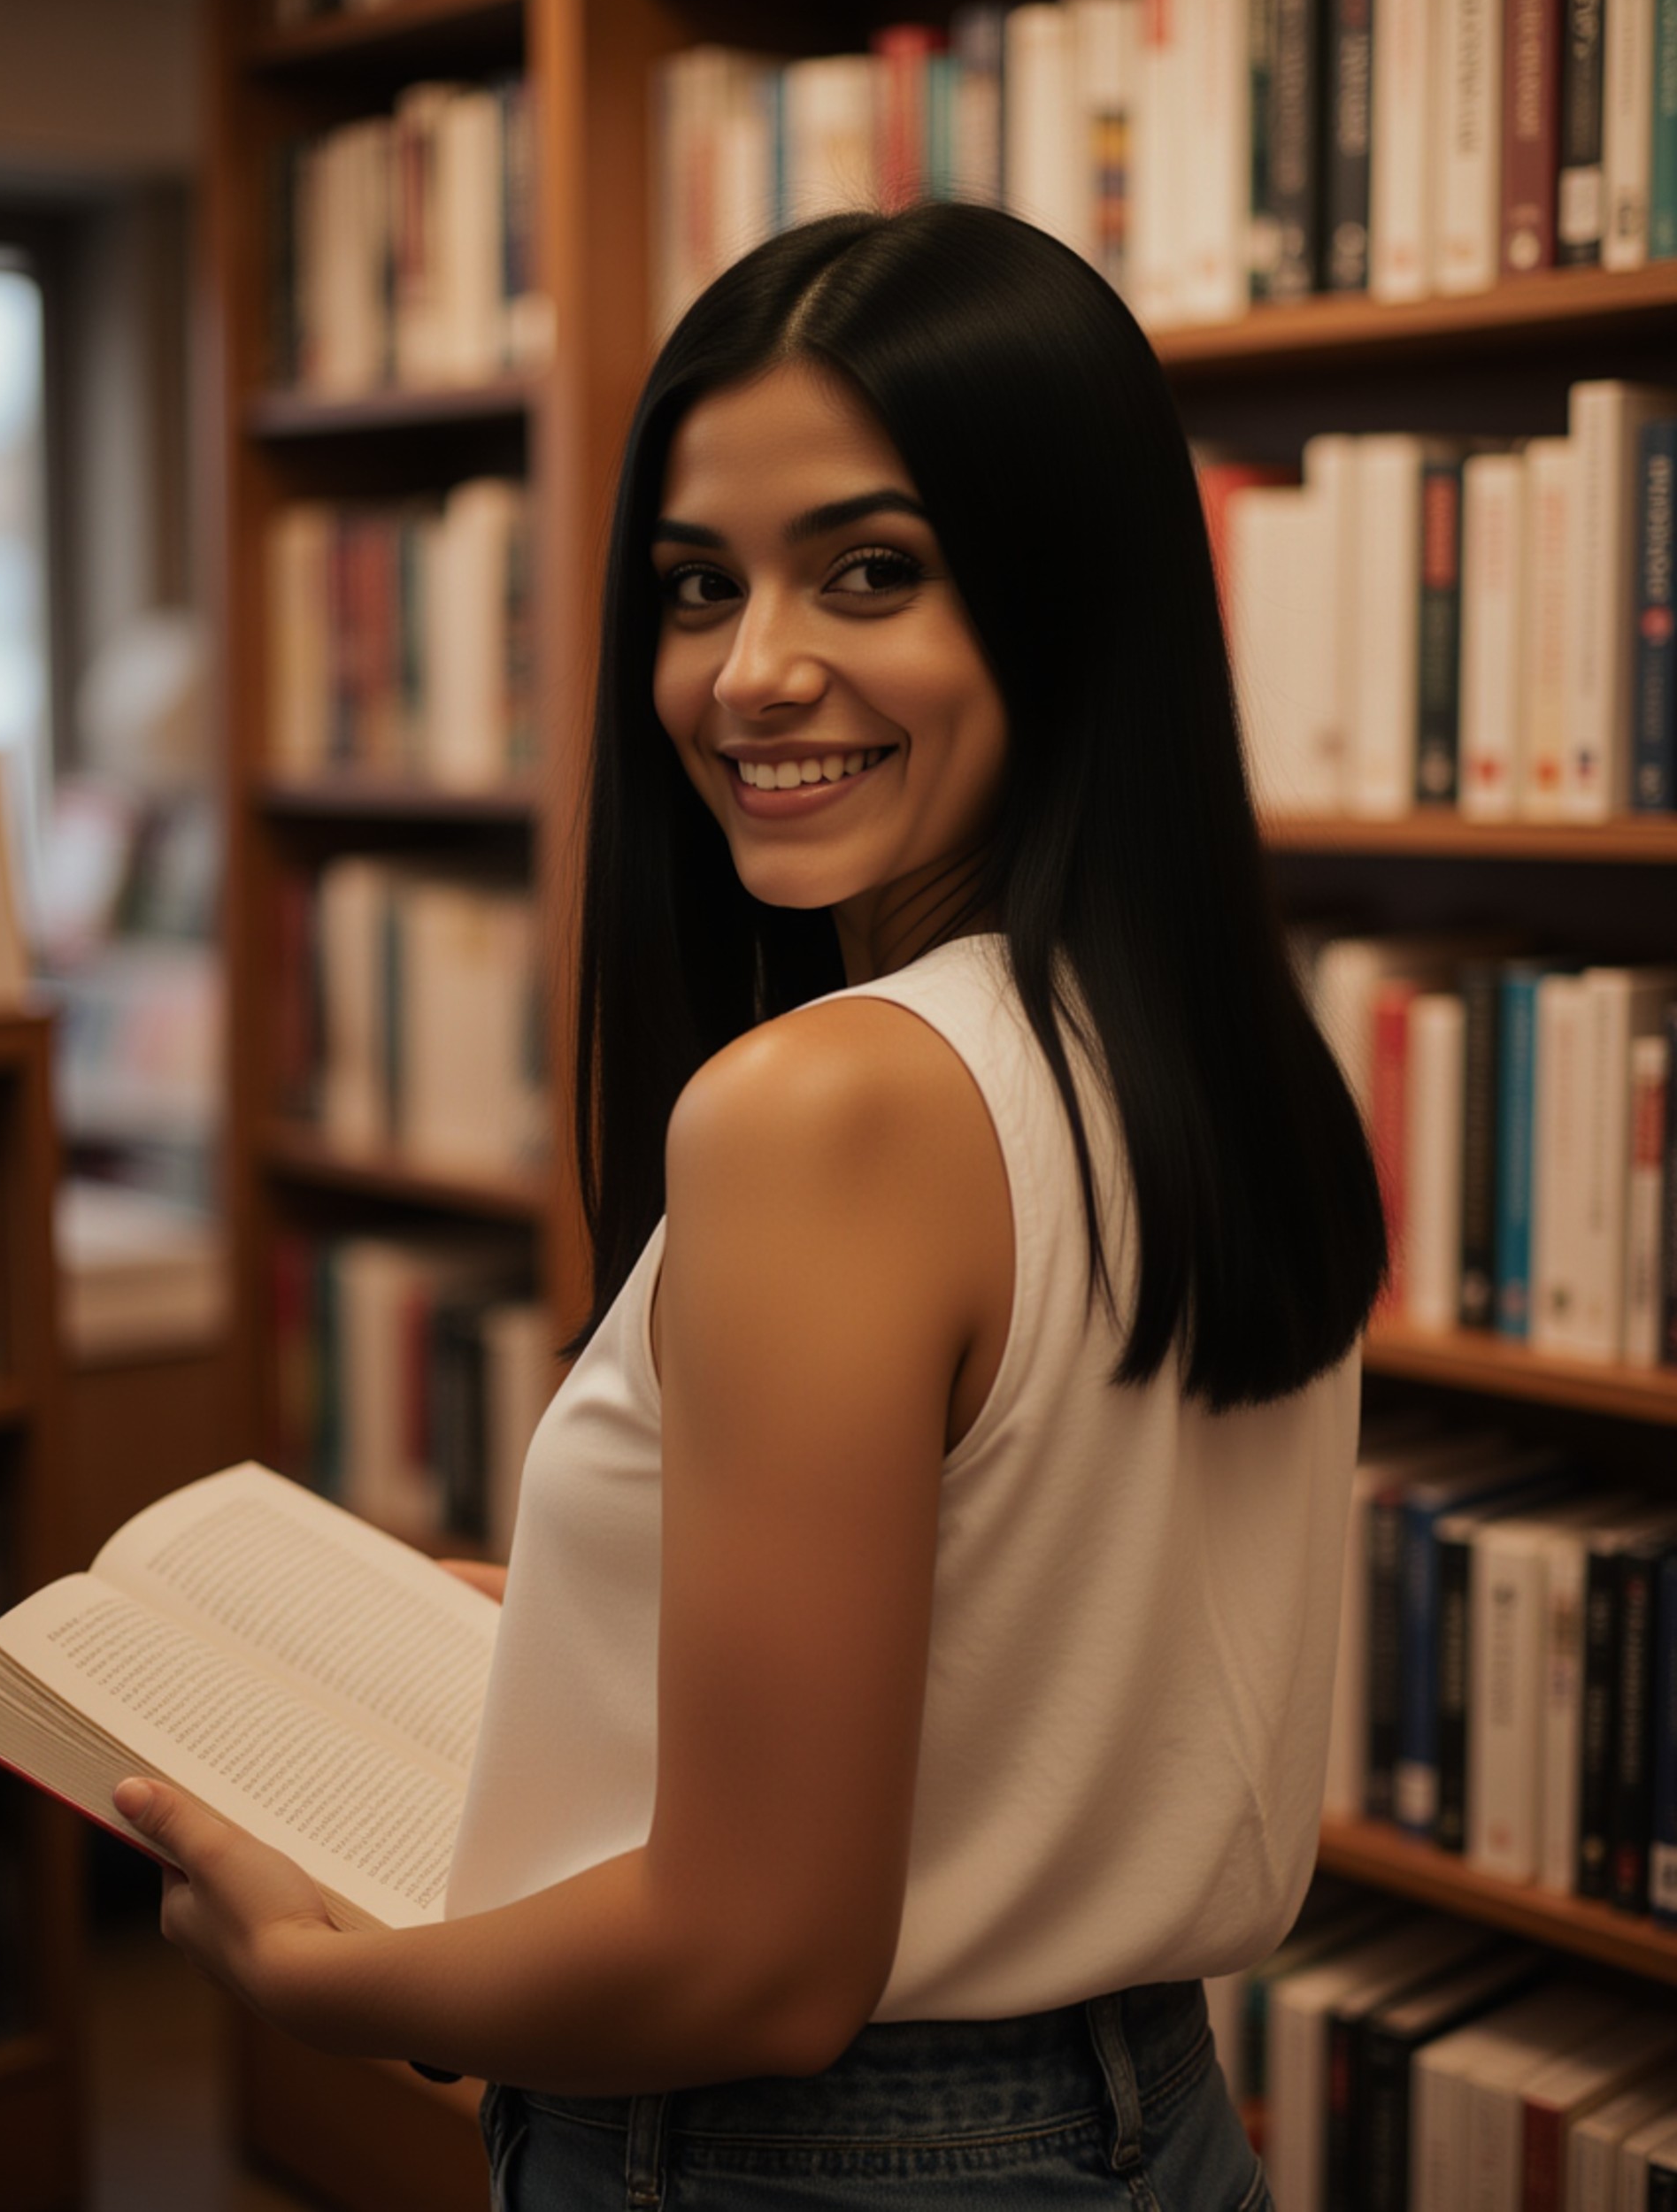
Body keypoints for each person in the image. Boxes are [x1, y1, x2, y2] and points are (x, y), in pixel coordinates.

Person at [116, 204, 1387, 2208]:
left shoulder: (830, 1101)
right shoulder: (1209, 1054)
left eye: (870, 571)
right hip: (1147, 2118)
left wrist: (338, 1984)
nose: (750, 672)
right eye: (697, 588)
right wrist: (587, 1616)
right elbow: (1029, 1623)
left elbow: (763, 1960)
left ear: (1071, 596)